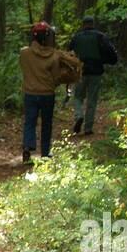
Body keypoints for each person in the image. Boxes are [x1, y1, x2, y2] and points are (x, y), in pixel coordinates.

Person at [18, 21, 81, 163]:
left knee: (29, 122)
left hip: (30, 94)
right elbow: (56, 76)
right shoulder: (55, 56)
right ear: (47, 37)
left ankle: (27, 147)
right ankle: (45, 153)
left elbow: (23, 67)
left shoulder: (24, 53)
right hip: (47, 94)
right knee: (47, 124)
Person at [68, 15, 118, 136]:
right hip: (96, 71)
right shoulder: (100, 36)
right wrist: (107, 61)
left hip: (80, 72)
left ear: (83, 25)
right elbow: (111, 51)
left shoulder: (76, 37)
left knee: (78, 97)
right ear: (92, 24)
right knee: (92, 100)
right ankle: (88, 128)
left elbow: (68, 54)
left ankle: (79, 115)